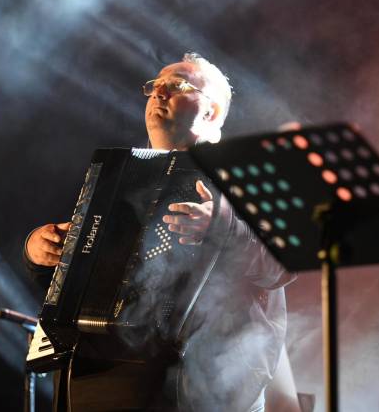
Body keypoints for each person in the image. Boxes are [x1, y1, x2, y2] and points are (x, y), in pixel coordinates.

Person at [24, 52, 295, 412]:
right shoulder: (116, 175)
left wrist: (223, 226)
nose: (158, 93)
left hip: (207, 383)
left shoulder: (247, 175)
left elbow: (282, 265)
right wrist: (39, 251)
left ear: (210, 112)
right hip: (105, 376)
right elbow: (78, 275)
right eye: (156, 85)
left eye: (177, 85)